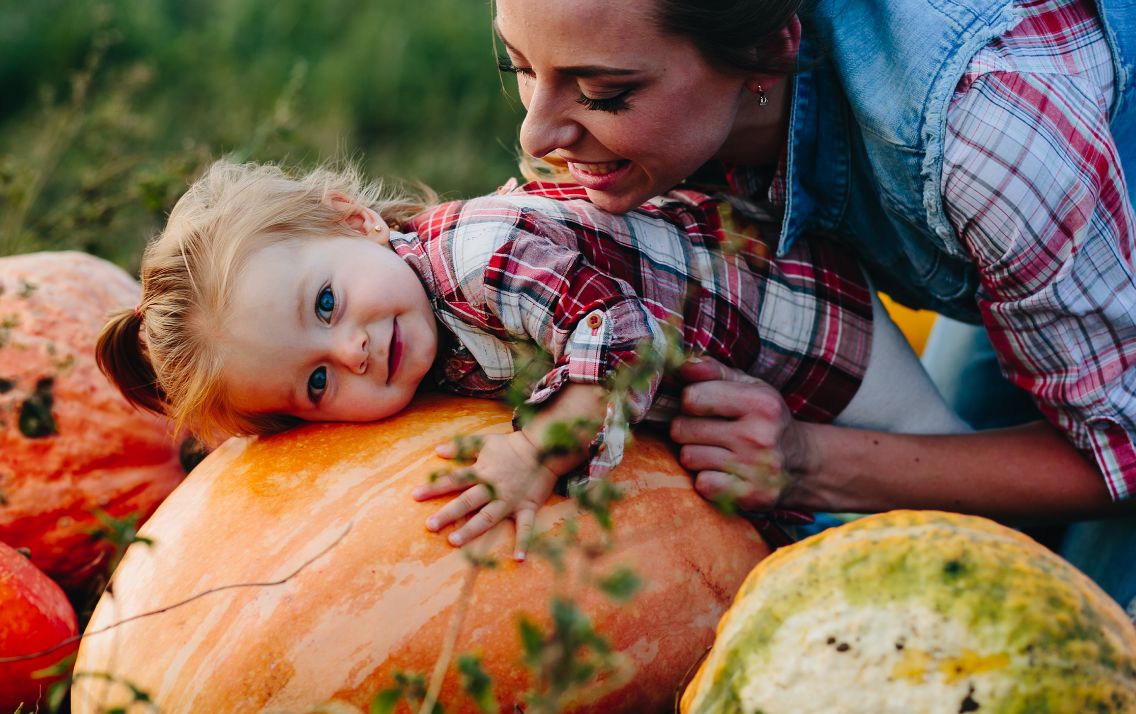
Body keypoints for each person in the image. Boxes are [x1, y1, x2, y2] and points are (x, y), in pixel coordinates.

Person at [489, 0, 1136, 601]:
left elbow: (1123, 454)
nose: (534, 135)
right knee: (966, 544)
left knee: (1071, 626)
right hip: (1048, 241)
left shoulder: (984, 133)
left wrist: (806, 462)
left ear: (770, 54)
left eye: (605, 94)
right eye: (518, 65)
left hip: (1054, 183)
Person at [96, 160, 967, 557]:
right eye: (316, 381)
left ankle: (1033, 534)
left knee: (941, 475)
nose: (352, 349)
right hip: (737, 404)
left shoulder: (483, 253)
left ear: (352, 220)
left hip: (805, 331)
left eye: (325, 304)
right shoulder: (412, 327)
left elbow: (619, 340)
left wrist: (533, 449)